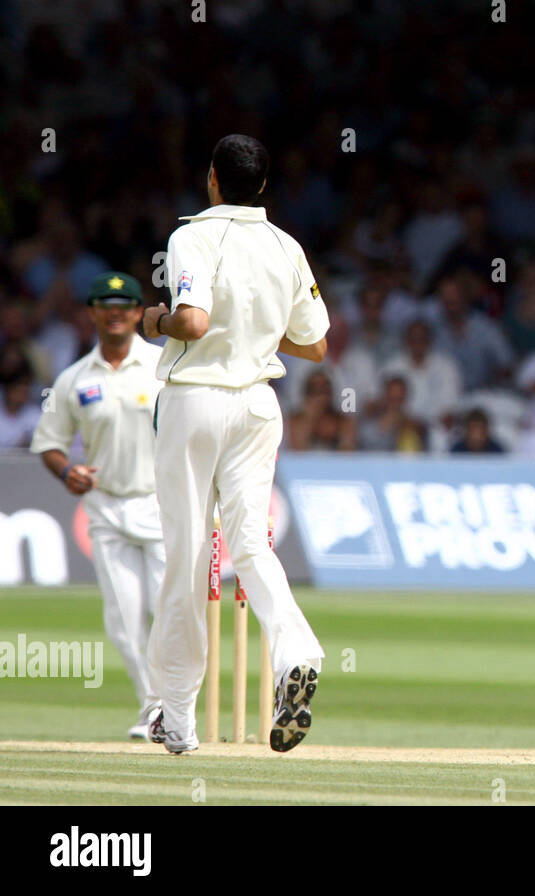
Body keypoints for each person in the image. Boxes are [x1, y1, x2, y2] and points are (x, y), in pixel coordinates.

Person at [141, 134, 329, 754]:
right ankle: (297, 651)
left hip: (196, 398)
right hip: (258, 404)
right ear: (264, 186)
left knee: (190, 557)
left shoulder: (192, 235)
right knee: (251, 544)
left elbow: (191, 321)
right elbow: (316, 344)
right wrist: (255, 329)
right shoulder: (287, 246)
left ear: (213, 180)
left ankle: (178, 719)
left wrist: (154, 323)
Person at [29, 272, 163, 739]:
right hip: (106, 508)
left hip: (162, 506)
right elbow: (48, 443)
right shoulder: (74, 379)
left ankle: (175, 707)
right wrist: (68, 472)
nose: (116, 312)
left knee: (168, 614)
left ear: (136, 311)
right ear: (93, 313)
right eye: (106, 304)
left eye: (125, 304)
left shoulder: (163, 365)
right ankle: (155, 711)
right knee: (124, 620)